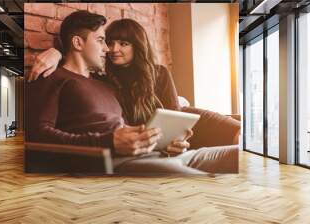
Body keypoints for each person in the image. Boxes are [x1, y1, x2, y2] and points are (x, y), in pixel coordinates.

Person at [28, 11, 237, 174]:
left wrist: (171, 142)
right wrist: (57, 52)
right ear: (77, 43)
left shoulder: (107, 84)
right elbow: (38, 134)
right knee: (200, 184)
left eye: (121, 43)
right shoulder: (54, 77)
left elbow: (171, 112)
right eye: (103, 41)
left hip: (161, 153)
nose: (109, 49)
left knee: (238, 156)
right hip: (125, 160)